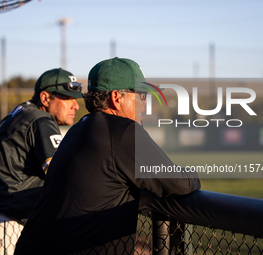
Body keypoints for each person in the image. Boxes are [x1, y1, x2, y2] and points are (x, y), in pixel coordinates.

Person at [14, 57, 201, 255]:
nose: (145, 104)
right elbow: (178, 183)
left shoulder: (79, 129)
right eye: (141, 95)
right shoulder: (123, 130)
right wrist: (192, 174)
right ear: (116, 97)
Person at [0, 68, 82, 255]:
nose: (75, 105)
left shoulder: (19, 113)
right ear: (45, 98)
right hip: (2, 226)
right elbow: (60, 174)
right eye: (67, 98)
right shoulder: (41, 119)